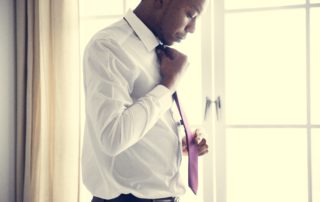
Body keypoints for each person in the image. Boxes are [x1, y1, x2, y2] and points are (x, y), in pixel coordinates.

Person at [82, 0, 209, 201]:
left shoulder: (158, 53)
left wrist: (177, 142)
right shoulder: (109, 46)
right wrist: (168, 86)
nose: (192, 29)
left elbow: (144, 121)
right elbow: (112, 136)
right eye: (191, 15)